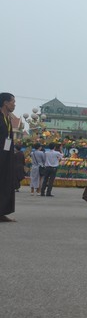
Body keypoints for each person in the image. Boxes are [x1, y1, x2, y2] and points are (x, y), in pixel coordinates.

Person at [0, 93, 16, 222]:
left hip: (7, 155)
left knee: (5, 183)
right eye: (12, 102)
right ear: (5, 103)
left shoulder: (8, 118)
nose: (14, 105)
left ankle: (2, 211)